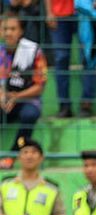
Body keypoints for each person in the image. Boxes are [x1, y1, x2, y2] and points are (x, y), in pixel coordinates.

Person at [0, 14, 47, 168]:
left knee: (30, 114)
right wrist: (2, 95)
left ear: (20, 31)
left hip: (27, 99)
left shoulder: (33, 50)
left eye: (13, 29)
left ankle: (12, 155)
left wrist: (16, 96)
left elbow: (39, 86)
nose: (8, 33)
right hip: (4, 100)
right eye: (5, 29)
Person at [0, 138, 65, 215]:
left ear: (41, 158)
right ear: (19, 157)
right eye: (25, 152)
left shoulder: (51, 188)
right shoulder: (5, 184)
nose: (29, 156)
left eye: (34, 152)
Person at [45, 0, 96, 117]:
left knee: (88, 57)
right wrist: (49, 12)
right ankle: (64, 105)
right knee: (61, 59)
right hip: (59, 14)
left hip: (86, 11)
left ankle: (87, 104)